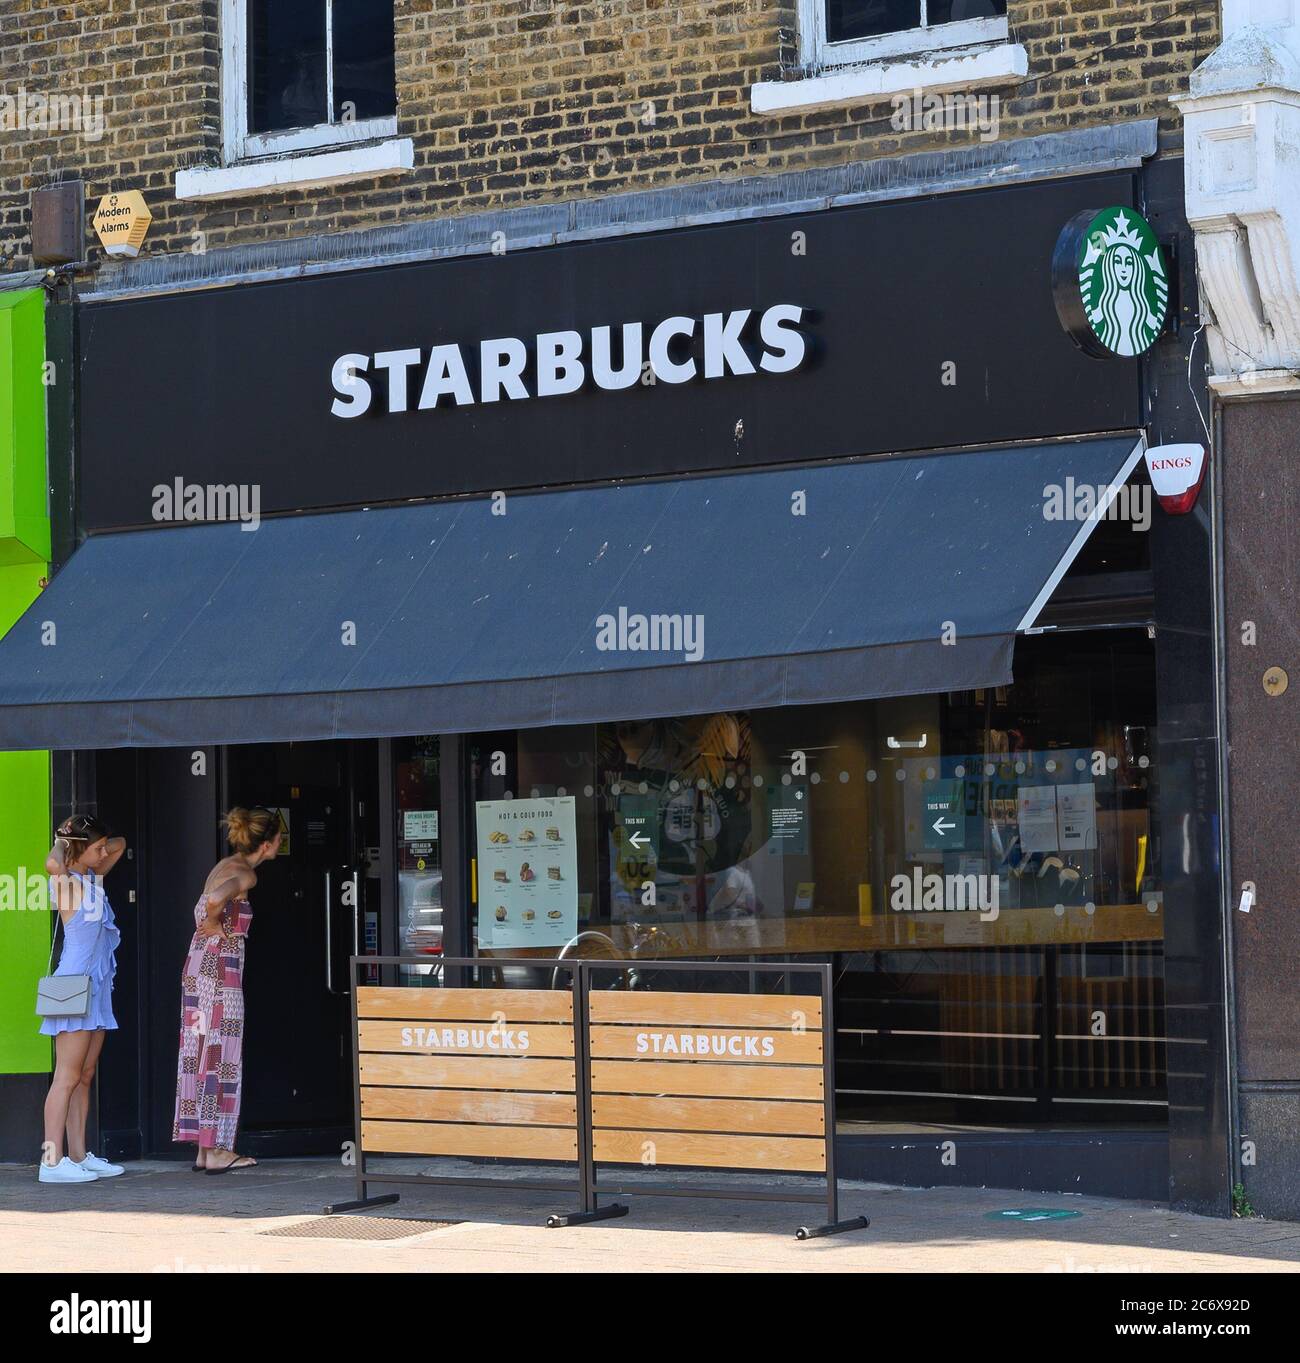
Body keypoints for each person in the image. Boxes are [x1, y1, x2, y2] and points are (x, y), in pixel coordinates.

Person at [172, 806, 281, 1173]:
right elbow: (217, 899)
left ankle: (204, 1148)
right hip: (221, 971)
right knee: (222, 1054)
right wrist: (217, 921)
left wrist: (213, 920)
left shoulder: (222, 864)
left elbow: (211, 897)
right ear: (267, 844)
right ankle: (217, 1149)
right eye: (280, 838)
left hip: (197, 968)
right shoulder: (245, 874)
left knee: (199, 1050)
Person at [38, 815, 129, 1185]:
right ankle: (50, 1160)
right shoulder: (65, 884)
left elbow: (120, 843)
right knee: (66, 1077)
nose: (104, 851)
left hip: (97, 988)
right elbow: (52, 862)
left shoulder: (91, 878)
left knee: (85, 1076)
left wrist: (90, 838)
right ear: (78, 848)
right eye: (96, 847)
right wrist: (64, 839)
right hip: (73, 986)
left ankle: (77, 1156)